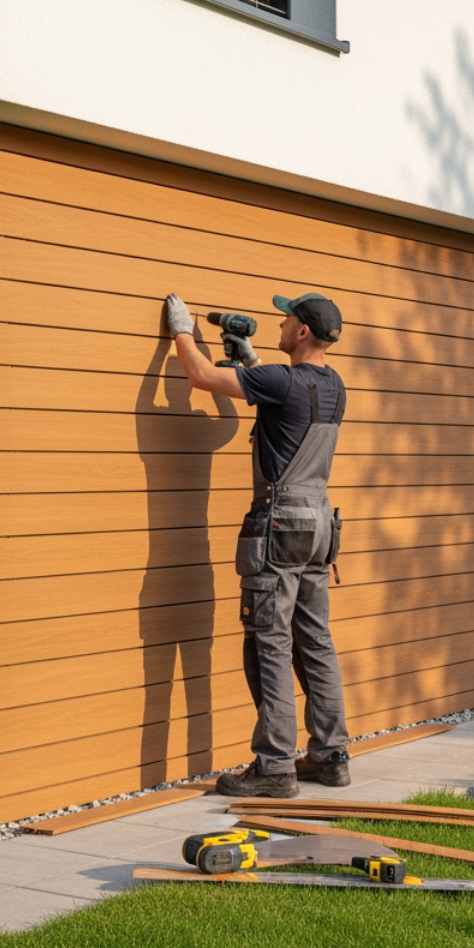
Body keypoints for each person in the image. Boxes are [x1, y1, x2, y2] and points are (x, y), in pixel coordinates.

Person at [163, 290, 352, 798]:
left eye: (287, 319)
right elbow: (287, 396)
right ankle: (330, 755)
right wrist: (252, 364)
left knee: (269, 641)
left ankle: (273, 768)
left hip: (279, 525)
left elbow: (202, 376)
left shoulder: (280, 381)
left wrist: (181, 329)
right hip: (318, 526)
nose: (282, 324)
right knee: (315, 641)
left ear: (303, 331)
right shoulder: (333, 385)